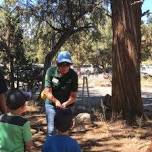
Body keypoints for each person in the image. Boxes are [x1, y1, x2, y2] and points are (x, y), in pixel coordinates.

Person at [42, 50, 78, 135]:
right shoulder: (50, 71)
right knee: (51, 130)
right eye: (62, 64)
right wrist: (56, 101)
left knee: (65, 130)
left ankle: (63, 147)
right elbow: (47, 92)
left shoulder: (73, 75)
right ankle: (51, 147)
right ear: (57, 63)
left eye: (67, 64)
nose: (64, 67)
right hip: (51, 105)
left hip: (66, 106)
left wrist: (66, 103)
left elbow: (73, 96)